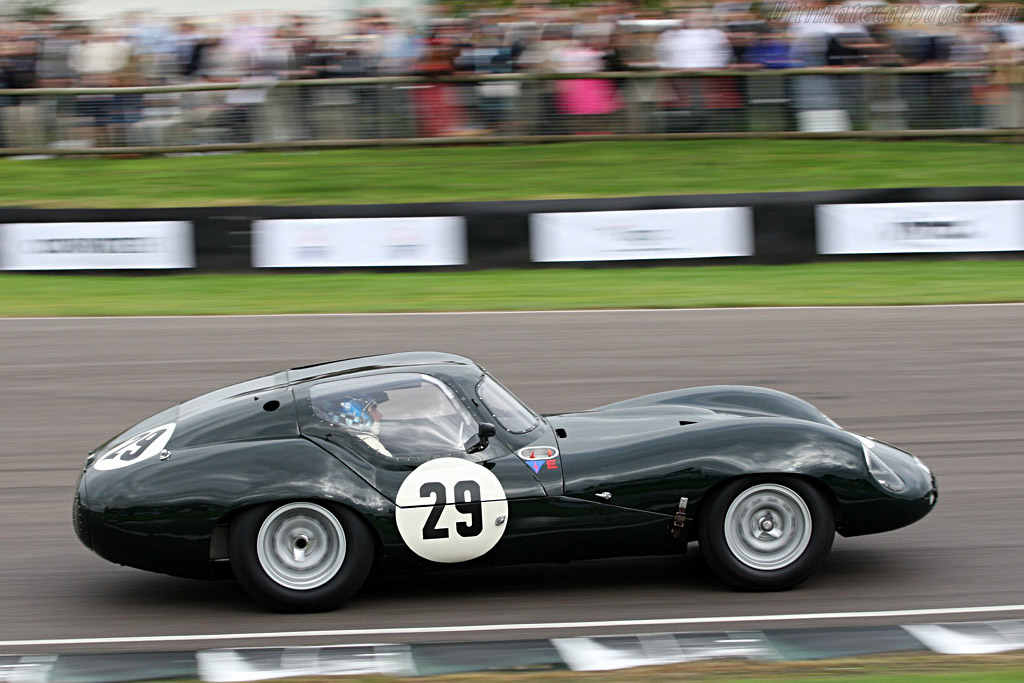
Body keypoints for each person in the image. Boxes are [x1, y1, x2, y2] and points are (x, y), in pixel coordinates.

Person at [320, 394, 392, 456]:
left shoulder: (326, 441)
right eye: (373, 409)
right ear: (356, 416)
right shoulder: (370, 446)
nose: (380, 416)